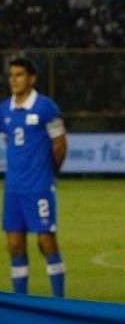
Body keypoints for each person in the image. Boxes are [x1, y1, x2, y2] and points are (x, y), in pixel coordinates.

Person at [2, 58, 66, 298]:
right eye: (11, 75)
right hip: (13, 189)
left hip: (39, 187)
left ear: (32, 79)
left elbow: (60, 144)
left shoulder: (46, 107)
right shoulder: (4, 109)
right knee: (15, 246)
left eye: (19, 75)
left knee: (46, 242)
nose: (14, 80)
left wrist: (49, 174)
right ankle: (21, 301)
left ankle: (59, 300)